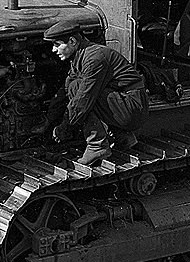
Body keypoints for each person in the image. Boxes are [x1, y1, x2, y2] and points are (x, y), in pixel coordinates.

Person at [44, 20, 149, 166]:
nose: (54, 50)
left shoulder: (94, 58)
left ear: (73, 41)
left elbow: (83, 99)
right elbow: (64, 90)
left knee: (79, 88)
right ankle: (123, 137)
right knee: (73, 85)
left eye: (57, 44)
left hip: (133, 107)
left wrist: (64, 128)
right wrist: (49, 121)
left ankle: (97, 146)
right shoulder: (81, 56)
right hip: (123, 104)